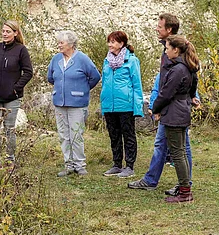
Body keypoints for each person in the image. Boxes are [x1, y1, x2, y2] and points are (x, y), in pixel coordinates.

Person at [128, 13, 196, 193]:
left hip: (172, 109)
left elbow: (170, 85)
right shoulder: (172, 51)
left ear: (169, 30)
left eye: (159, 27)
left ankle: (181, 185)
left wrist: (156, 107)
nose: (156, 29)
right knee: (176, 146)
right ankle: (180, 183)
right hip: (174, 107)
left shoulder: (175, 54)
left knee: (177, 148)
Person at [149, 34, 199, 203]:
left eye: (167, 48)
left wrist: (155, 108)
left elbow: (166, 93)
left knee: (177, 153)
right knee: (181, 151)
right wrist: (191, 97)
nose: (165, 51)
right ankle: (184, 188)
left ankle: (185, 192)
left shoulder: (178, 70)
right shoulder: (189, 66)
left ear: (176, 50)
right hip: (182, 110)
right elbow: (193, 87)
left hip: (174, 113)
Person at [46, 30, 101, 177]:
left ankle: (80, 165)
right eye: (58, 42)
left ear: (71, 44)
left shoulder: (82, 59)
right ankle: (68, 165)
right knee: (64, 135)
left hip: (77, 103)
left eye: (61, 43)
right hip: (59, 103)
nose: (59, 45)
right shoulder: (56, 59)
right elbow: (50, 77)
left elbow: (95, 76)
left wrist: (82, 89)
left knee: (76, 134)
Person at [99, 30, 144, 178]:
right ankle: (117, 164)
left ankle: (129, 166)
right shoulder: (106, 61)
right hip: (109, 105)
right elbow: (104, 83)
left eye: (113, 42)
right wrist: (103, 101)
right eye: (109, 41)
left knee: (128, 135)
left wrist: (137, 107)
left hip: (126, 105)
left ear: (121, 43)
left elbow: (137, 85)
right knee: (114, 135)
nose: (109, 44)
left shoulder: (132, 61)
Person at [0, 20, 33, 161]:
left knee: (9, 128)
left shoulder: (21, 50)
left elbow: (28, 72)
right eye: (3, 31)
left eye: (8, 31)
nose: (5, 34)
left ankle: (10, 158)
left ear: (15, 33)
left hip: (12, 98)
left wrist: (16, 88)